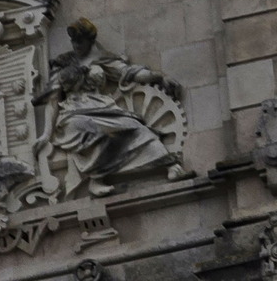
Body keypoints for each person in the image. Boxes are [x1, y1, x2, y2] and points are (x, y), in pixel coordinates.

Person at [34, 19, 185, 197]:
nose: (76, 45)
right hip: (73, 115)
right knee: (98, 129)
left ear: (90, 40)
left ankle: (170, 165)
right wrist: (46, 133)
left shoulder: (102, 59)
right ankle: (96, 178)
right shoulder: (64, 63)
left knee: (134, 127)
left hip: (103, 108)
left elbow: (131, 73)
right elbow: (53, 100)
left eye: (80, 41)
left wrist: (158, 78)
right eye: (73, 41)